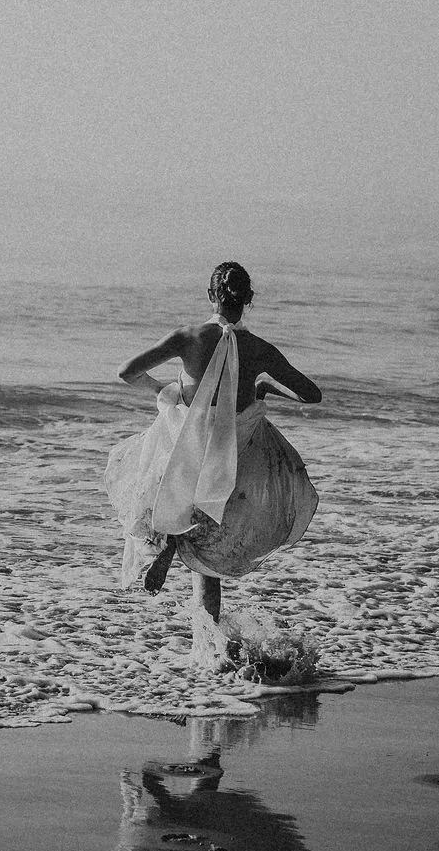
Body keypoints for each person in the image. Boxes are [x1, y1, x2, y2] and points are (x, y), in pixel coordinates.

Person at [106, 262, 321, 660]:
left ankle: (168, 544)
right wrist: (265, 385)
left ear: (211, 296)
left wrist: (165, 389)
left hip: (182, 459)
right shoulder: (260, 349)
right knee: (206, 566)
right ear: (248, 301)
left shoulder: (187, 337)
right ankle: (209, 656)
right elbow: (312, 395)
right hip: (228, 468)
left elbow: (126, 371)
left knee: (175, 455)